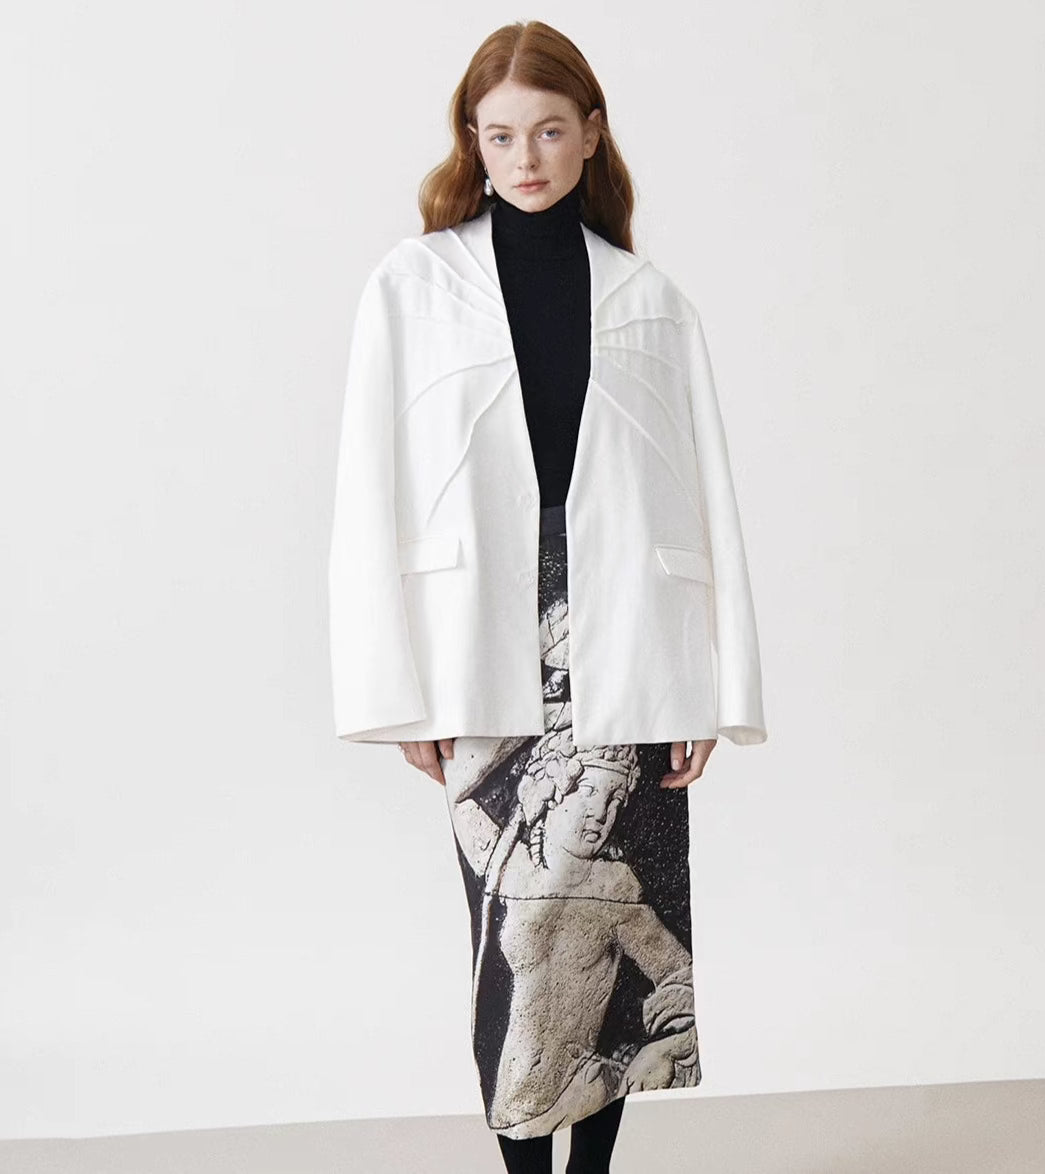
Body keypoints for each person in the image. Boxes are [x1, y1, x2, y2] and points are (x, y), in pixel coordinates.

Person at [327, 19, 766, 1174]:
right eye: (500, 135)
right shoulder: (414, 285)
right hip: (481, 640)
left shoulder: (650, 298)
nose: (525, 158)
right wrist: (396, 685)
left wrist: (705, 687)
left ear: (591, 134)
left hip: (628, 640)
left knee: (617, 945)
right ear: (472, 143)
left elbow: (700, 502)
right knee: (515, 932)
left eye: (549, 131)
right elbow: (370, 488)